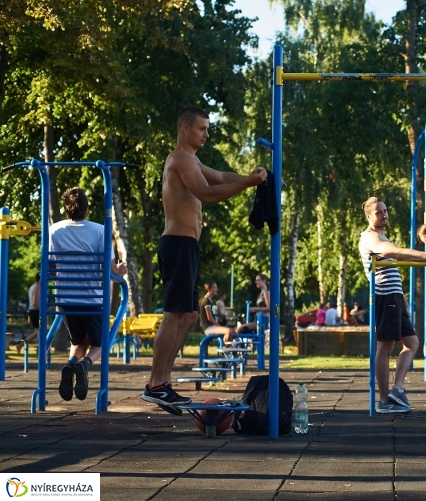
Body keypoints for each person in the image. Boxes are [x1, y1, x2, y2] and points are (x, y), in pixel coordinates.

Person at [142, 106, 267, 414]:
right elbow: (207, 193)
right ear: (185, 128)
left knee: (188, 316)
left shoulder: (192, 160)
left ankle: (162, 384)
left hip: (188, 245)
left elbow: (221, 176)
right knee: (175, 315)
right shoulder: (181, 158)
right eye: (202, 128)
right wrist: (249, 185)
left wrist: (260, 179)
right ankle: (156, 385)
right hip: (177, 244)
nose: (207, 134)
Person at [359, 197, 426, 413]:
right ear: (369, 216)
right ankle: (383, 401)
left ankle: (397, 389)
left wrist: (403, 300)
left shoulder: (381, 235)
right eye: (379, 212)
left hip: (395, 297)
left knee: (412, 343)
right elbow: (394, 253)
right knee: (385, 347)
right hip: (384, 297)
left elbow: (392, 270)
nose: (384, 215)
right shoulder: (370, 237)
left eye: (385, 210)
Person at [51, 188, 127, 402]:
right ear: (86, 207)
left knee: (79, 341)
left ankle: (71, 364)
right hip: (91, 299)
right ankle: (84, 364)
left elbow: (50, 268)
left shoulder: (54, 230)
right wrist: (120, 271)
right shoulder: (100, 231)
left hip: (65, 299)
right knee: (102, 343)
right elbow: (111, 270)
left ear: (66, 207)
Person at [15, 273, 40, 353]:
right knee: (39, 332)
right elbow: (35, 301)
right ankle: (39, 349)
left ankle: (21, 344)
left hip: (32, 310)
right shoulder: (37, 287)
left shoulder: (32, 286)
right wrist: (41, 309)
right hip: (35, 310)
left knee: (36, 333)